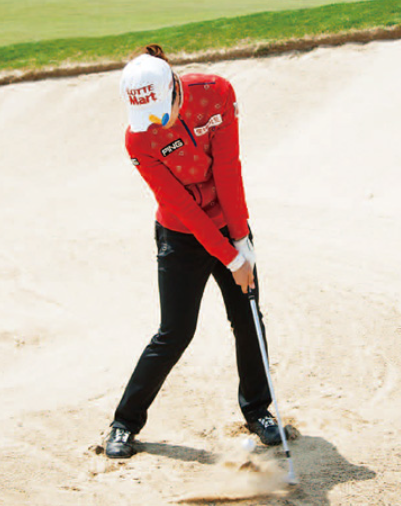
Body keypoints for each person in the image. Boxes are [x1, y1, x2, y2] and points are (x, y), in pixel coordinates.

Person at [106, 44, 283, 459]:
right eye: (145, 114)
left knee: (248, 319)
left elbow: (228, 169)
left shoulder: (214, 94)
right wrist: (232, 260)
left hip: (228, 223)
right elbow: (182, 206)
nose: (153, 121)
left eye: (157, 110)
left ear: (173, 87)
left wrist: (240, 240)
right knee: (175, 332)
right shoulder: (138, 139)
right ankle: (124, 422)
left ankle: (258, 411)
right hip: (180, 235)